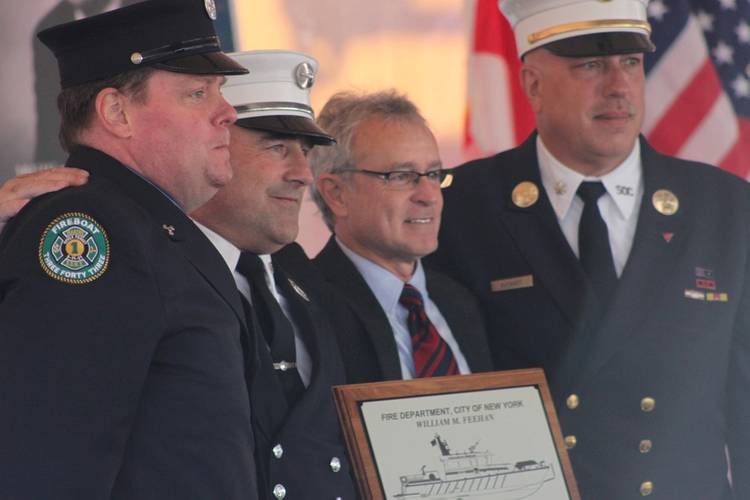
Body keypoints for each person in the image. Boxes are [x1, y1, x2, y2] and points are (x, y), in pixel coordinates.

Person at [425, 0, 750, 498]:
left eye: (631, 64)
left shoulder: (726, 208)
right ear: (532, 83)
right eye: (590, 65)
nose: (618, 87)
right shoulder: (463, 209)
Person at [0, 1, 259, 499]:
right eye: (196, 93)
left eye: (219, 92)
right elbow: (48, 461)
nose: (227, 113)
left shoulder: (144, 225)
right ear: (117, 112)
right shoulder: (89, 229)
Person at [190, 50, 356, 500]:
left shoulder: (308, 280)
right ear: (215, 148)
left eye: (305, 151)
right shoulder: (162, 274)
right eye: (277, 147)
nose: (303, 174)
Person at [309, 90, 493, 384]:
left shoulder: (460, 301)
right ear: (336, 193)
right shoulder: (307, 309)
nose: (429, 196)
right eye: (400, 176)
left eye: (433, 174)